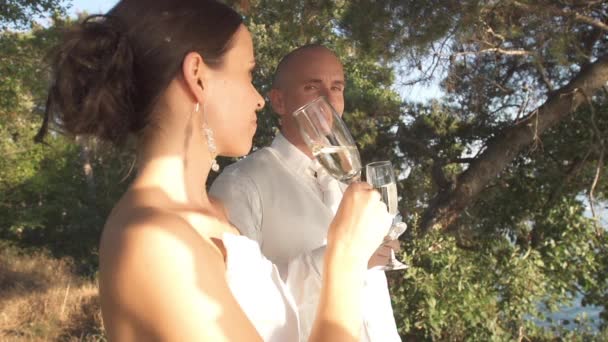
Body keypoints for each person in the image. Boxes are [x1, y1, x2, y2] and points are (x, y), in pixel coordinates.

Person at [38, 0, 394, 341]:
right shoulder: (151, 238)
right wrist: (345, 257)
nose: (258, 98)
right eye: (248, 73)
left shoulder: (213, 217)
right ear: (198, 76)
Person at [210, 44, 402, 341]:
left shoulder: (347, 183)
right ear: (279, 101)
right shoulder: (241, 184)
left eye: (336, 87)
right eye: (312, 87)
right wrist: (342, 255)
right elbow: (240, 300)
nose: (328, 99)